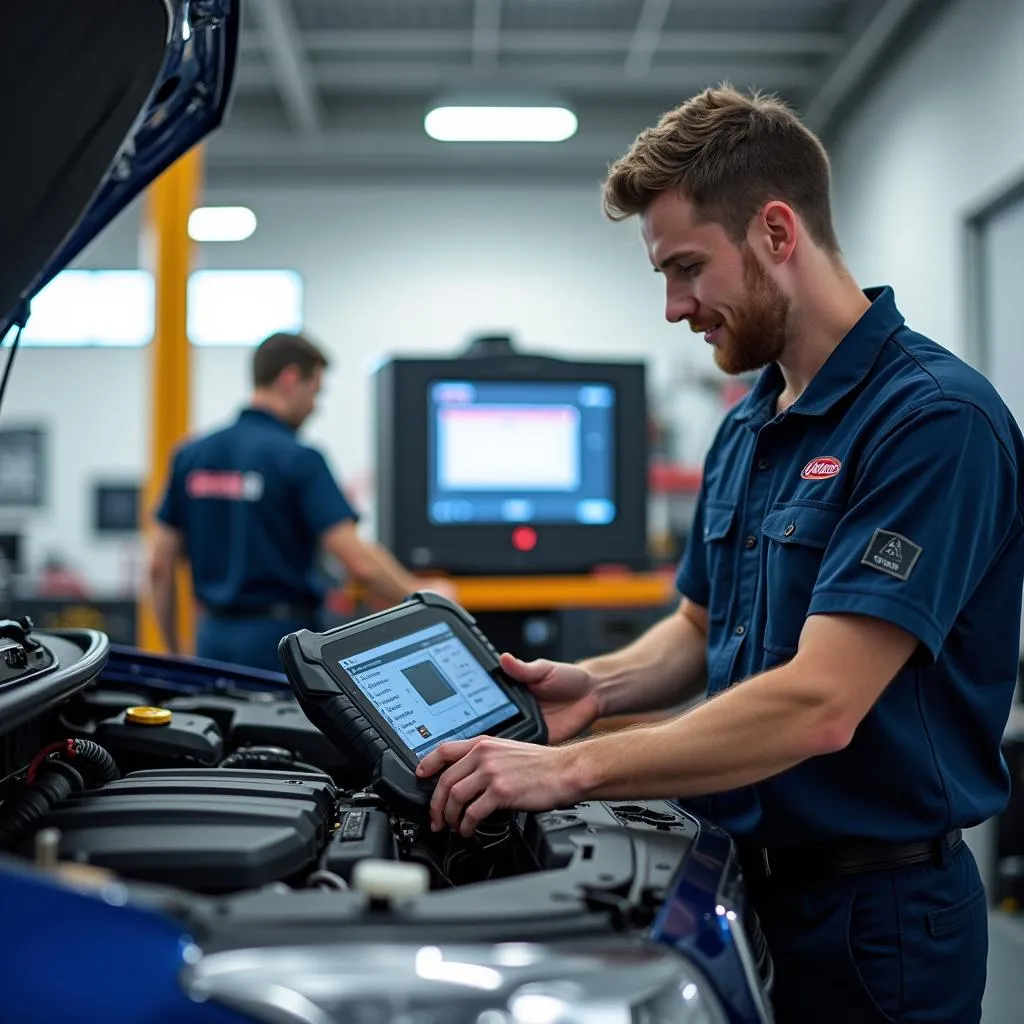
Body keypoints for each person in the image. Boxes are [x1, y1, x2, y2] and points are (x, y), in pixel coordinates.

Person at [416, 85, 1024, 1023]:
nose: (673, 307)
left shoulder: (932, 422)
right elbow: (701, 624)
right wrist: (600, 689)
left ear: (777, 232)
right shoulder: (752, 422)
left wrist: (570, 770)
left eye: (689, 268)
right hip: (738, 885)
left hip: (876, 924)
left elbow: (822, 704)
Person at [147, 331, 452, 672]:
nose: (315, 407)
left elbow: (159, 566)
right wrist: (420, 594)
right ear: (290, 378)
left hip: (212, 640)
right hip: (280, 646)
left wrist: (174, 652)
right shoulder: (298, 459)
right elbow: (359, 562)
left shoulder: (191, 455)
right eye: (315, 392)